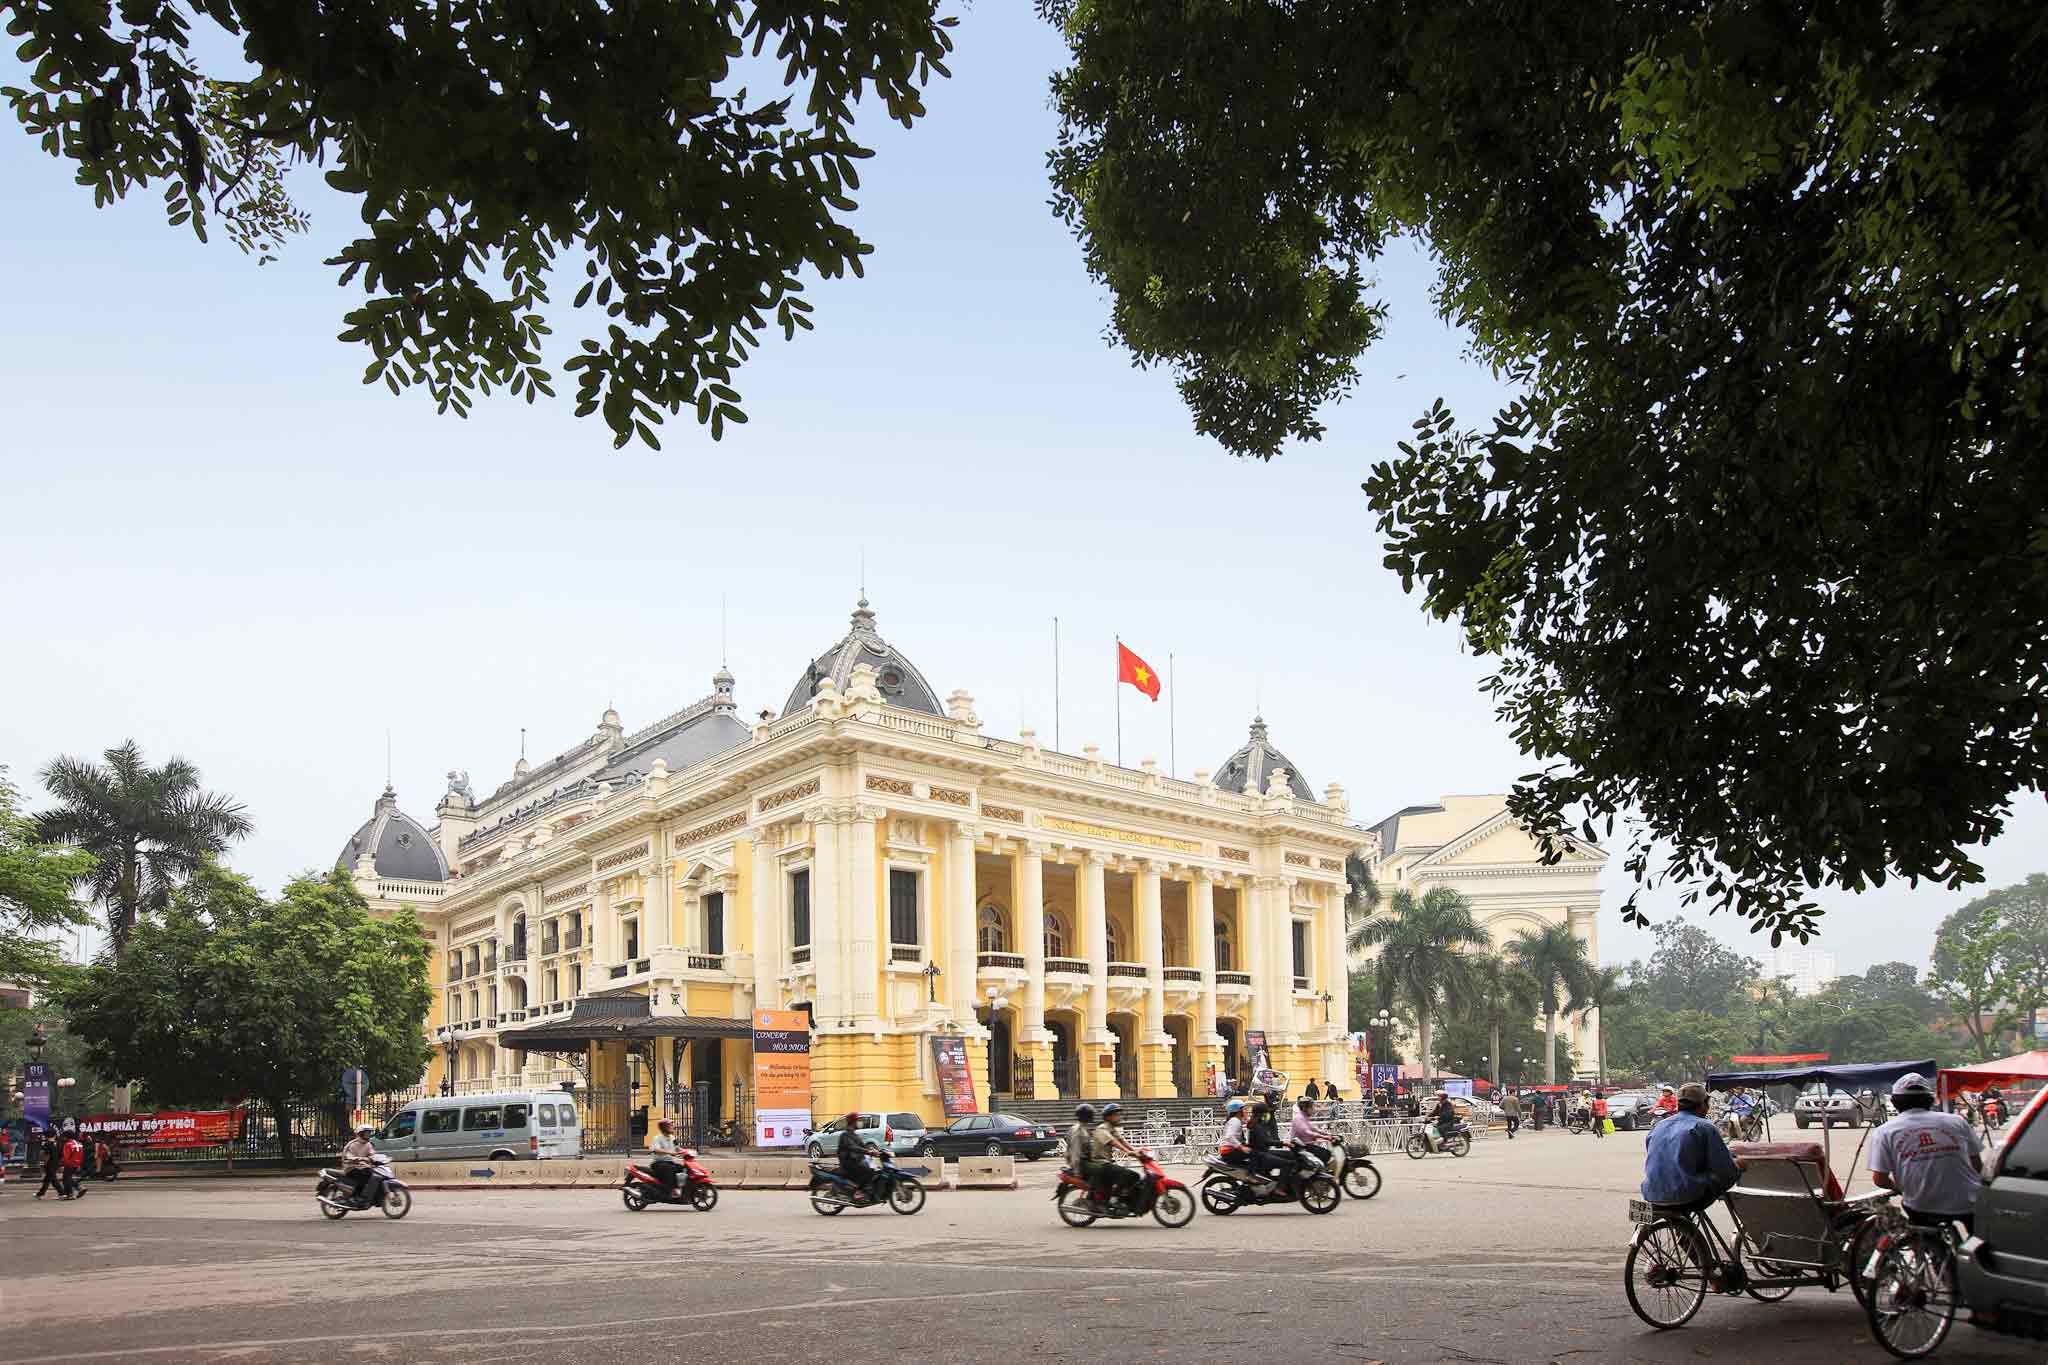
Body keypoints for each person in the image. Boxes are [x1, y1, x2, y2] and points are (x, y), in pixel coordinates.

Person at [1868, 1073, 1982, 1234]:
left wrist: (1902, 1188)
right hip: (1969, 1201)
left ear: (1895, 1102)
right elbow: (1977, 1165)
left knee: (1926, 1241)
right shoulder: (1957, 1121)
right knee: (1980, 1245)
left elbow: (1880, 1179)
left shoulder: (1885, 1131)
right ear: (1929, 1099)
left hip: (1922, 1205)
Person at [1641, 1083, 1742, 1214]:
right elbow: (1723, 1167)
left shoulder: (1659, 1125)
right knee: (1733, 1170)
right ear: (1703, 1104)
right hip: (1687, 1195)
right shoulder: (1704, 1126)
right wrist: (1739, 1165)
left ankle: (1684, 1229)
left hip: (1651, 1193)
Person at [1089, 1103, 1143, 1210]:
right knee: (1129, 1174)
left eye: (1119, 1114)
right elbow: (1114, 1142)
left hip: (1107, 1162)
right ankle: (1114, 1200)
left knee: (1132, 1176)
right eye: (1116, 1115)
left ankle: (1122, 1197)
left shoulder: (1112, 1128)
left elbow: (1122, 1141)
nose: (1119, 1117)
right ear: (1109, 1117)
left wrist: (1137, 1152)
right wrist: (1128, 1152)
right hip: (1100, 1163)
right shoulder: (1102, 1129)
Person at [1247, 1101, 1301, 1193]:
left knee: (1291, 1155)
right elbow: (1267, 1141)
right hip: (1260, 1156)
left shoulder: (1260, 1124)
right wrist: (1283, 1143)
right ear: (1261, 1114)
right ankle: (1279, 1188)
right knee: (1288, 1163)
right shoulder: (1257, 1126)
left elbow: (1270, 1134)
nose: (1268, 1115)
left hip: (1264, 1152)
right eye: (1266, 1113)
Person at [338, 1123, 384, 1208]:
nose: (369, 1135)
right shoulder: (352, 1144)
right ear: (361, 1133)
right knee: (364, 1176)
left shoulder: (368, 1144)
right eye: (367, 1133)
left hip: (363, 1167)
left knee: (376, 1175)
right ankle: (357, 1197)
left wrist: (377, 1159)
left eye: (369, 1133)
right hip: (351, 1167)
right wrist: (356, 1158)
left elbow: (372, 1154)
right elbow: (348, 1155)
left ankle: (373, 1197)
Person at [835, 1112, 878, 1199]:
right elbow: (853, 1147)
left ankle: (869, 1190)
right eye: (857, 1120)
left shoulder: (854, 1134)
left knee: (875, 1168)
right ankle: (859, 1191)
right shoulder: (846, 1135)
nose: (859, 1122)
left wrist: (875, 1150)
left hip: (855, 1160)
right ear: (853, 1122)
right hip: (848, 1162)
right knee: (869, 1171)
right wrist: (868, 1152)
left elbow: (862, 1145)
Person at [1290, 1097, 1335, 1168]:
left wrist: (1328, 1134)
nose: (1313, 1110)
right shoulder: (1299, 1118)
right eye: (1311, 1107)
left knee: (1326, 1154)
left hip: (1306, 1145)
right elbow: (1306, 1132)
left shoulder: (1304, 1117)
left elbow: (1313, 1128)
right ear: (1305, 1108)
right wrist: (1324, 1137)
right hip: (1300, 1147)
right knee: (1326, 1154)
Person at [647, 1117, 683, 1197]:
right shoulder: (657, 1138)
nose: (672, 1127)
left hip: (669, 1163)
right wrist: (670, 1153)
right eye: (670, 1125)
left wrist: (687, 1152)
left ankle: (680, 1188)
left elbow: (677, 1148)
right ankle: (668, 1190)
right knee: (670, 1169)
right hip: (658, 1163)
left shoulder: (672, 1138)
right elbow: (656, 1149)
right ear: (664, 1127)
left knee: (683, 1168)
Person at [1065, 1104, 1097, 1175]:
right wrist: (1077, 1171)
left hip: (1085, 1160)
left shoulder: (1083, 1128)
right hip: (1081, 1163)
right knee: (1102, 1169)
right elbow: (1075, 1151)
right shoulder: (1078, 1131)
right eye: (1090, 1114)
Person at [35, 1128, 63, 1199]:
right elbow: (61, 1154)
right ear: (54, 1135)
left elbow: (46, 1155)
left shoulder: (47, 1144)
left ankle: (62, 1193)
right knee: (48, 1179)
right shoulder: (58, 1143)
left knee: (53, 1179)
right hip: (56, 1163)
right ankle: (40, 1194)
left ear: (47, 1136)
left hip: (49, 1164)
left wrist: (43, 1163)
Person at [59, 1130, 85, 1199]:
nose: (63, 1138)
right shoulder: (79, 1144)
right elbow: (82, 1155)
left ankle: (70, 1194)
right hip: (77, 1163)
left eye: (64, 1136)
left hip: (69, 1164)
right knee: (68, 1178)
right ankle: (79, 1188)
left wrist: (63, 1165)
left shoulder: (67, 1144)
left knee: (66, 1179)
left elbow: (66, 1156)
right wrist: (79, 1164)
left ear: (66, 1137)